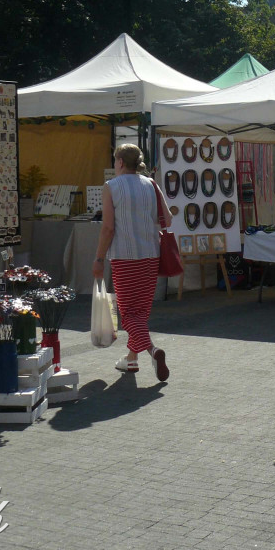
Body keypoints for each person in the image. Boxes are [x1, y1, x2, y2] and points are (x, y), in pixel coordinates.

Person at [93, 143, 172, 382]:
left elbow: (108, 228)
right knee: (141, 312)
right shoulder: (151, 184)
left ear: (119, 162)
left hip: (125, 257)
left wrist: (99, 258)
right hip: (151, 254)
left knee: (128, 315)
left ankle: (153, 351)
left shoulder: (112, 186)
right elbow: (167, 219)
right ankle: (131, 359)